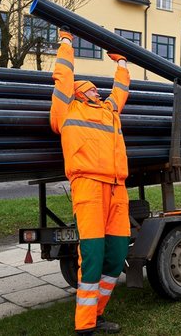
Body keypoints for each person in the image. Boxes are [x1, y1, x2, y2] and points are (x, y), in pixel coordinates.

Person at [50, 28, 131, 335]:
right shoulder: (66, 109)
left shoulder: (110, 111)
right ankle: (85, 327)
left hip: (117, 190)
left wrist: (121, 63)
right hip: (88, 189)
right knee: (93, 257)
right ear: (80, 91)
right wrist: (67, 41)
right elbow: (63, 75)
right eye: (93, 89)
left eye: (100, 90)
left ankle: (97, 313)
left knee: (116, 256)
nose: (99, 92)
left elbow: (121, 90)